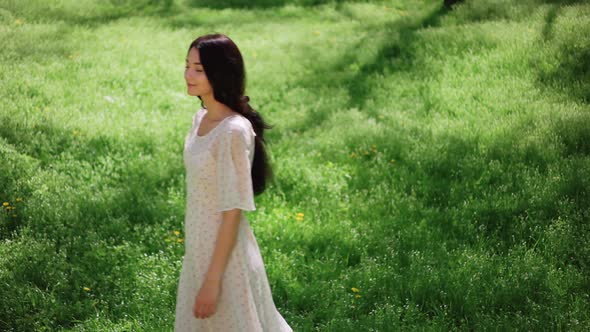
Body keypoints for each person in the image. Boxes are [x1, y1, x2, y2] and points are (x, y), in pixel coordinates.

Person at [174, 33, 293, 332]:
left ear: (221, 72)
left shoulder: (233, 131)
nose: (188, 75)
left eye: (198, 69)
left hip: (226, 259)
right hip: (199, 248)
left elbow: (233, 211)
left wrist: (212, 282)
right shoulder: (200, 118)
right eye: (187, 65)